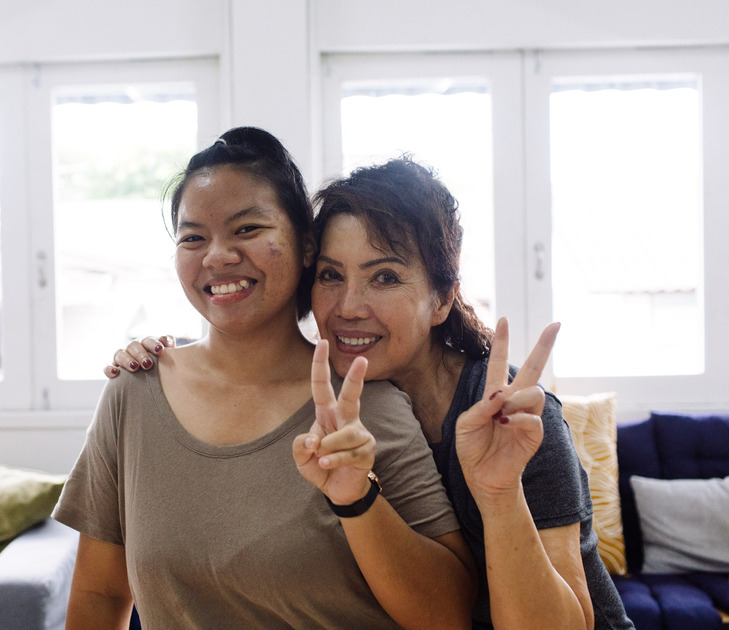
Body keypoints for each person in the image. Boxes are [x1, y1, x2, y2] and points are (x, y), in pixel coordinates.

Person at [108, 156, 635, 629]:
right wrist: (162, 354)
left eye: (384, 277)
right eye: (331, 276)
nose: (348, 306)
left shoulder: (508, 420)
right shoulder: (340, 403)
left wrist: (499, 496)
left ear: (442, 298)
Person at [54, 129, 477, 630]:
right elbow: (100, 594)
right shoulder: (134, 391)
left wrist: (358, 498)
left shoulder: (361, 402)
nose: (217, 256)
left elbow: (450, 614)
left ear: (305, 247)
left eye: (248, 228)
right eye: (193, 237)